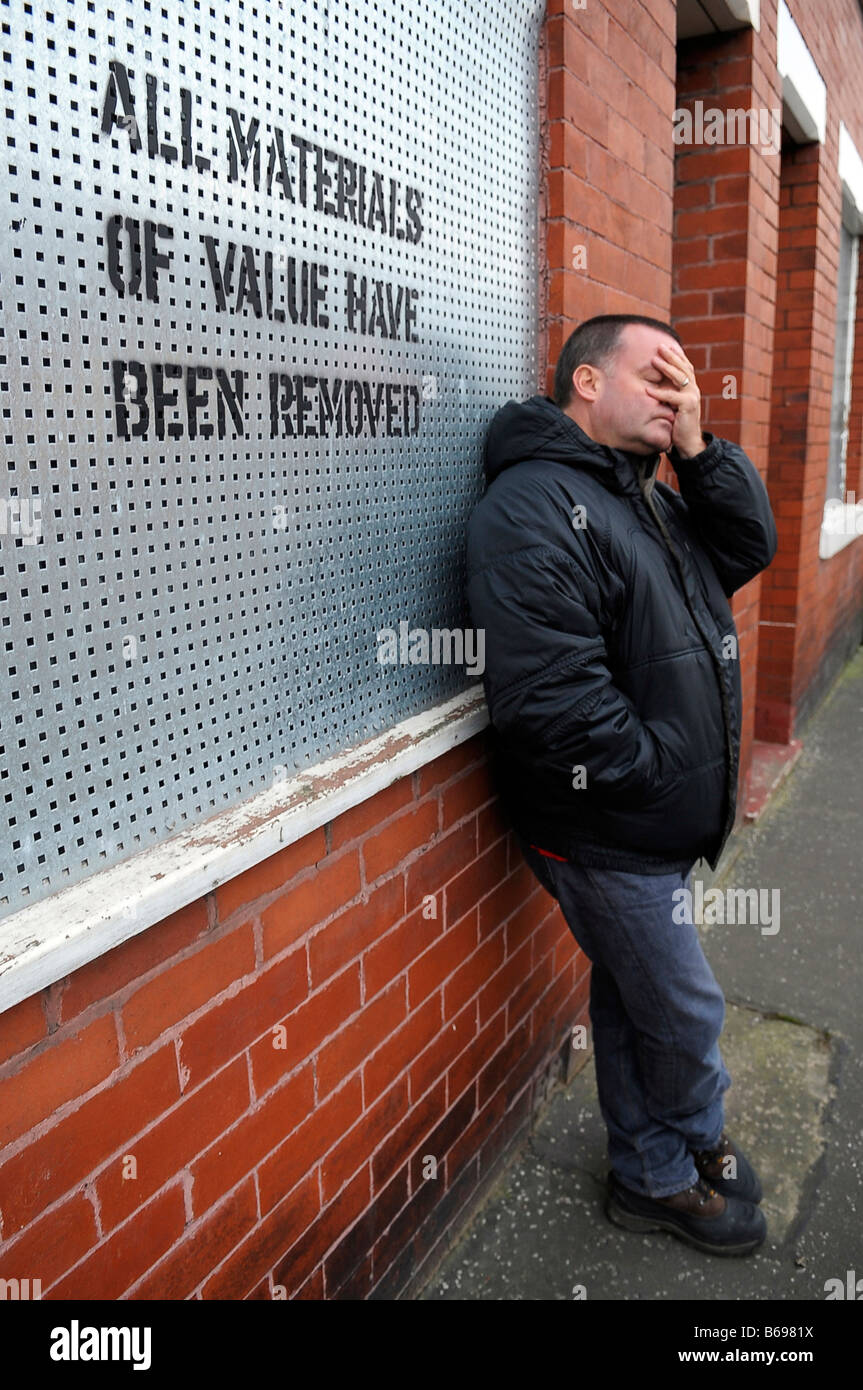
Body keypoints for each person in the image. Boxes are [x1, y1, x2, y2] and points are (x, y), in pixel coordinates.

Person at [465, 314, 778, 1256]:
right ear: (586, 383)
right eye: (654, 377)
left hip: (646, 820)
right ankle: (695, 1142)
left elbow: (748, 547)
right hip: (606, 825)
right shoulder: (530, 506)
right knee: (683, 1010)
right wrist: (660, 777)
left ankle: (648, 1172)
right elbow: (552, 703)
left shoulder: (644, 493)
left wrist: (697, 448)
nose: (673, 393)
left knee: (631, 997)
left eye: (682, 383)